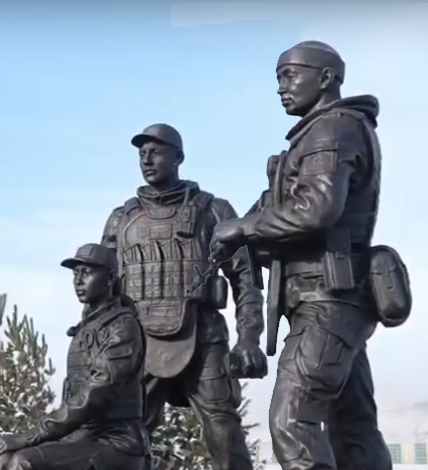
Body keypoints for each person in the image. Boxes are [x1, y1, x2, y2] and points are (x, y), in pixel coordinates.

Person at [208, 41, 395, 470]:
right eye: (279, 77)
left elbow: (316, 209)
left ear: (325, 78)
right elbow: (284, 205)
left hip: (327, 299)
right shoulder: (320, 133)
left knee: (291, 420)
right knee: (354, 428)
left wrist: (244, 228)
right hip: (331, 298)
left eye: (289, 75)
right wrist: (242, 230)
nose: (281, 87)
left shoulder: (332, 130)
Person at [101, 123, 267, 470]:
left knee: (223, 429)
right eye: (142, 153)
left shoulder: (214, 211)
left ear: (178, 157)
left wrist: (249, 338)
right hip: (138, 344)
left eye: (156, 151)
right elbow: (102, 291)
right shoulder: (121, 220)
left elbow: (246, 280)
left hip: (203, 337)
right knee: (121, 435)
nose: (147, 159)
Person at [0, 243, 150, 470]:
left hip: (117, 441)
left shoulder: (123, 327)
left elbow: (96, 393)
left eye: (86, 273)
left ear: (110, 278)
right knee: (4, 457)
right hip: (81, 437)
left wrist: (33, 435)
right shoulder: (88, 327)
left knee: (24, 462)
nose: (78, 281)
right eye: (75, 274)